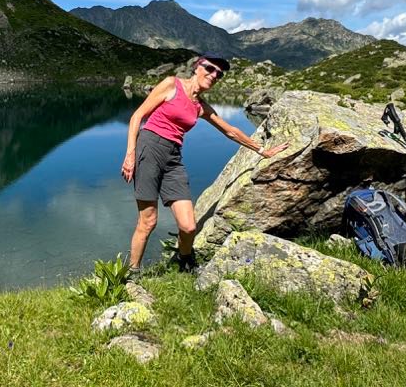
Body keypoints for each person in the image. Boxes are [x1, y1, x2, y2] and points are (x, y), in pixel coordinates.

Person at [121, 54, 288, 276]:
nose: (213, 75)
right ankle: (132, 274)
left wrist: (262, 150)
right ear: (197, 67)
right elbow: (137, 115)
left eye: (219, 74)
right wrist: (130, 154)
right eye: (210, 69)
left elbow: (230, 130)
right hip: (149, 148)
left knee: (189, 226)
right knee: (148, 220)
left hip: (173, 158)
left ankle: (184, 260)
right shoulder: (172, 84)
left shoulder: (199, 106)